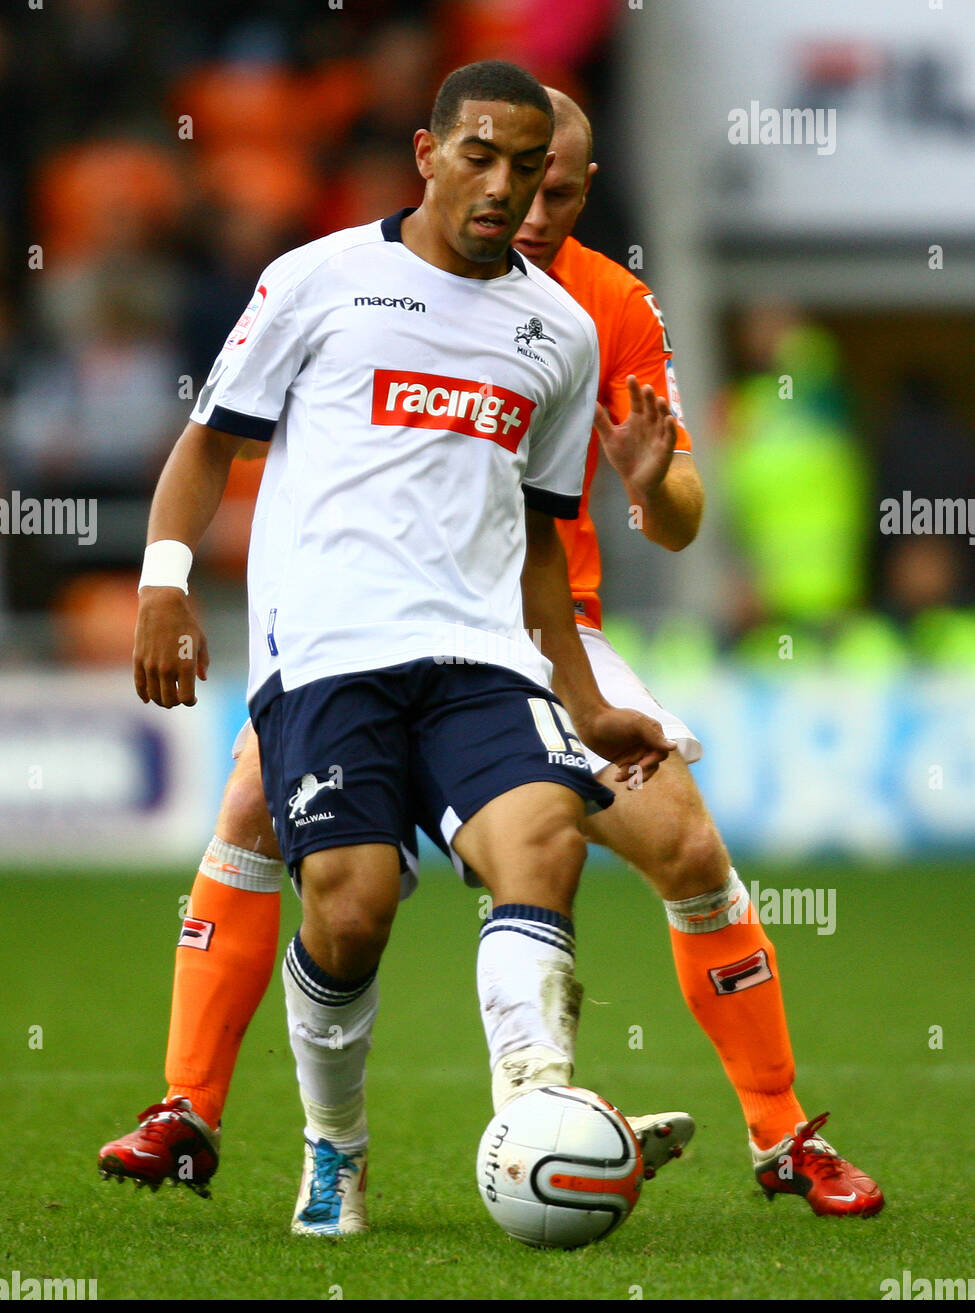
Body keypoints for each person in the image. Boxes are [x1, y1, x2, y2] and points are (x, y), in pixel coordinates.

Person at [101, 86, 883, 1221]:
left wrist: (647, 477)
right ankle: (194, 1111)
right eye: (500, 169)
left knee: (681, 840)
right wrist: (166, 584)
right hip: (342, 632)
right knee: (276, 833)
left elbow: (672, 517)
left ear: (577, 182)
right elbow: (213, 440)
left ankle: (753, 1129)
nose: (523, 205)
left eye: (550, 186)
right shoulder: (331, 277)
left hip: (519, 626)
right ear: (437, 157)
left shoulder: (597, 310)